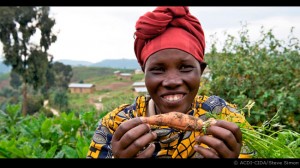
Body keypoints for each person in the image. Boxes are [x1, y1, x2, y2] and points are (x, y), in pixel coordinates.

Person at [87, 6, 252, 159]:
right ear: (145, 73)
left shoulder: (225, 118)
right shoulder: (116, 125)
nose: (172, 82)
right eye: (158, 69)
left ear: (200, 71)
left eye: (185, 68)